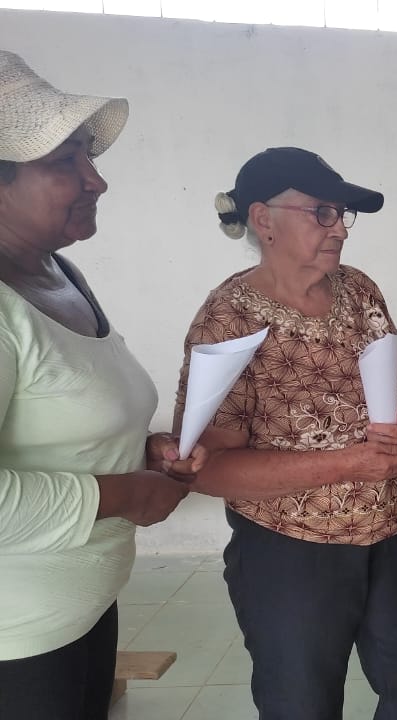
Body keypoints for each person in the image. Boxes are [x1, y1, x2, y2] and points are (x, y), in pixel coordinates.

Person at [174, 147, 397, 720]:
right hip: (290, 551)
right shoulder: (228, 319)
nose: (339, 229)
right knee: (301, 705)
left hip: (393, 531)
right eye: (321, 212)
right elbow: (207, 469)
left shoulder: (359, 290)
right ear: (263, 219)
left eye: (343, 214)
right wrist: (351, 463)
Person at [0, 50, 202, 719]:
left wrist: (141, 452)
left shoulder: (57, 273)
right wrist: (124, 493)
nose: (97, 180)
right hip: (17, 641)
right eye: (65, 162)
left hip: (84, 611)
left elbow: (61, 419)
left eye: (88, 156)